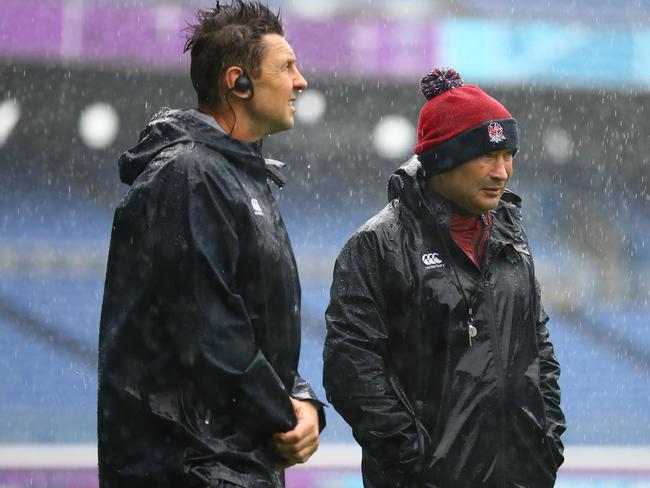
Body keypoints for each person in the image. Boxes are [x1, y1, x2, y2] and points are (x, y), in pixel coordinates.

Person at [97, 2, 324, 487]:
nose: (301, 81)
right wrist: (285, 413)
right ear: (238, 82)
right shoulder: (189, 176)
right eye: (287, 67)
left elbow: (252, 328)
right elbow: (209, 332)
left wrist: (303, 401)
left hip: (231, 462)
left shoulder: (239, 177)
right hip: (189, 467)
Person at [323, 68, 566, 487]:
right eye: (487, 155)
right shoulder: (377, 245)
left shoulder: (512, 238)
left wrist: (546, 440)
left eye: (509, 155)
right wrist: (418, 464)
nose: (501, 171)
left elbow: (537, 344)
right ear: (443, 159)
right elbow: (351, 368)